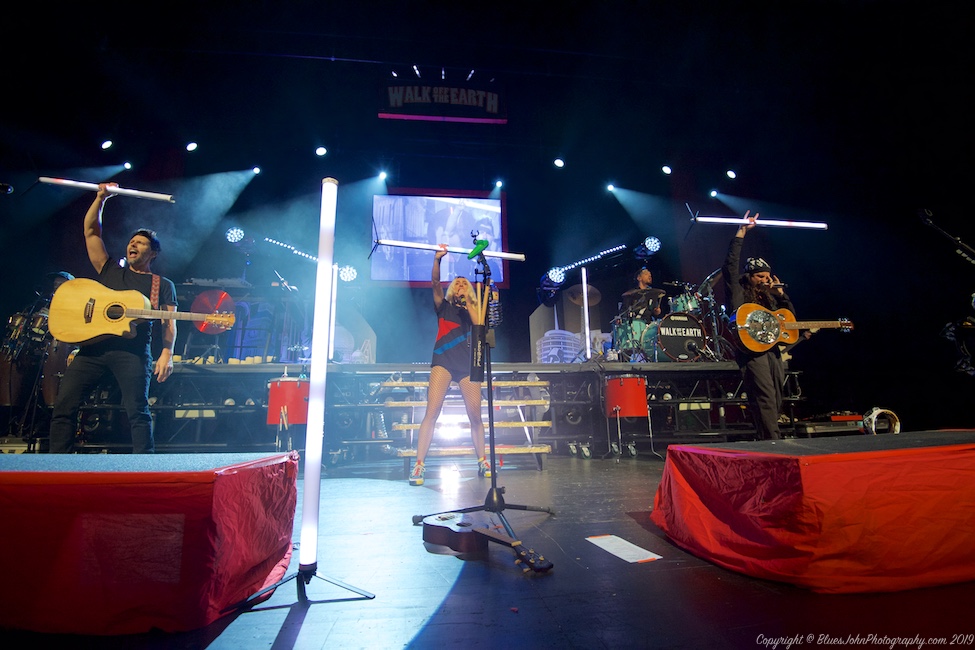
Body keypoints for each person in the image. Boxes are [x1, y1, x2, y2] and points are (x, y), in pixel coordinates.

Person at [48, 183, 177, 453]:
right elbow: (91, 231)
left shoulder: (160, 285)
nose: (133, 244)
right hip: (92, 349)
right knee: (63, 406)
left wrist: (167, 353)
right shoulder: (109, 270)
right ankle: (56, 464)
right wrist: (101, 199)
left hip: (131, 353)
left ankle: (145, 470)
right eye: (132, 240)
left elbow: (169, 322)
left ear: (152, 253)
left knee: (137, 412)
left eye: (141, 242)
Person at [409, 244, 491, 486]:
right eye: (458, 283)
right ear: (452, 289)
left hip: (467, 363)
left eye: (465, 283)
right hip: (443, 360)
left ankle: (482, 460)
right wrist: (437, 260)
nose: (461, 285)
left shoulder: (475, 309)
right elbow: (435, 283)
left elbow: (478, 326)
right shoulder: (442, 306)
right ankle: (419, 465)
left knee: (475, 415)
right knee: (431, 411)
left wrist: (469, 302)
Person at [721, 211, 794, 440]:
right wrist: (741, 232)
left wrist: (781, 296)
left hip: (771, 350)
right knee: (765, 395)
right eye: (760, 276)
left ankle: (769, 436)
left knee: (776, 396)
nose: (764, 280)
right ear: (749, 276)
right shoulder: (740, 292)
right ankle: (773, 440)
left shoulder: (769, 298)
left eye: (767, 276)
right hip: (751, 351)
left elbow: (789, 320)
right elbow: (730, 268)